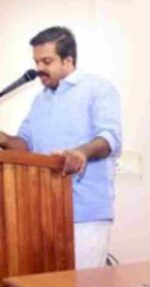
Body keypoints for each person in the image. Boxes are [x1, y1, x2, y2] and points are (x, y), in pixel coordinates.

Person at [0, 26, 122, 269]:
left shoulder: (98, 89)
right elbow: (24, 145)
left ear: (68, 60)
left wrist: (81, 153)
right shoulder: (40, 100)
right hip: (44, 210)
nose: (39, 68)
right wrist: (2, 138)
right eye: (36, 62)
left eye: (47, 61)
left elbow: (110, 138)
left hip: (85, 213)